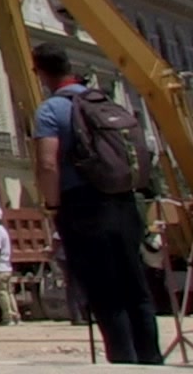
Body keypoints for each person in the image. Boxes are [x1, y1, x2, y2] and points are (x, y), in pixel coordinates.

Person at [31, 43, 162, 364]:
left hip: (83, 206)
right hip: (124, 200)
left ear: (41, 72)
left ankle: (124, 361)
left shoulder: (51, 110)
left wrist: (51, 205)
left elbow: (47, 164)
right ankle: (151, 359)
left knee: (105, 291)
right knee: (135, 285)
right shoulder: (103, 101)